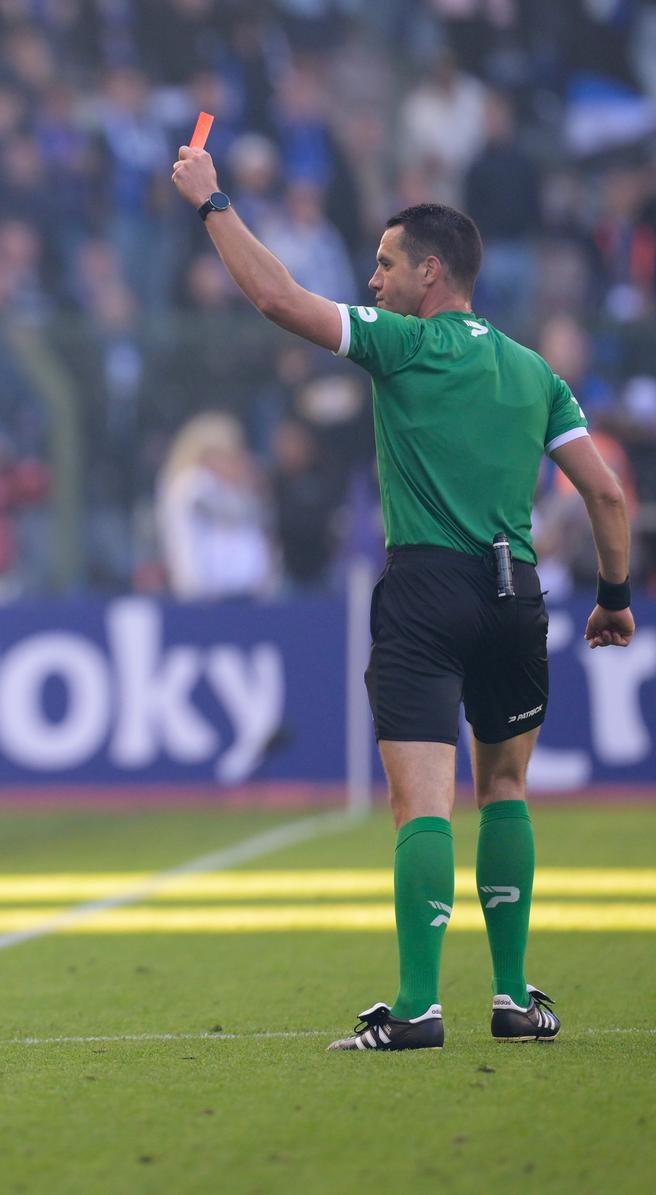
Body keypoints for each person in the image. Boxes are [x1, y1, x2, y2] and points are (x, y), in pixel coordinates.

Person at [170, 153, 636, 1050]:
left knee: (422, 805)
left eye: (385, 264)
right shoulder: (537, 372)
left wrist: (213, 204)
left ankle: (419, 1006)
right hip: (515, 593)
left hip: (425, 589)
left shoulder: (401, 343)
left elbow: (277, 299)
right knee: (504, 788)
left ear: (432, 272)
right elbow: (607, 495)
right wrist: (614, 595)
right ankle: (512, 998)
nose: (372, 279)